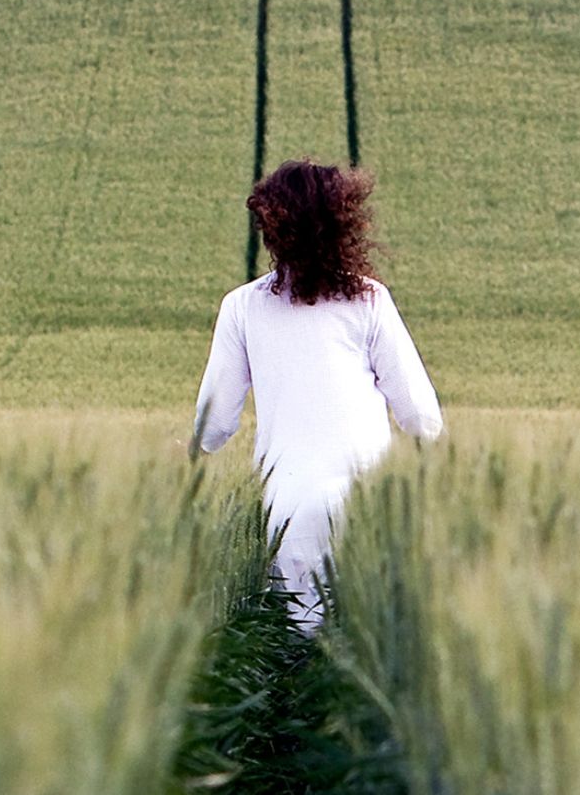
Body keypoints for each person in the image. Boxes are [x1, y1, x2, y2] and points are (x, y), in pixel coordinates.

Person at [190, 159, 444, 630]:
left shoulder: (241, 307)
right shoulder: (370, 301)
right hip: (365, 505)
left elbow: (213, 426)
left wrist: (184, 463)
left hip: (283, 513)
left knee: (293, 651)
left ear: (271, 228)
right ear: (345, 222)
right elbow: (421, 418)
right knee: (359, 647)